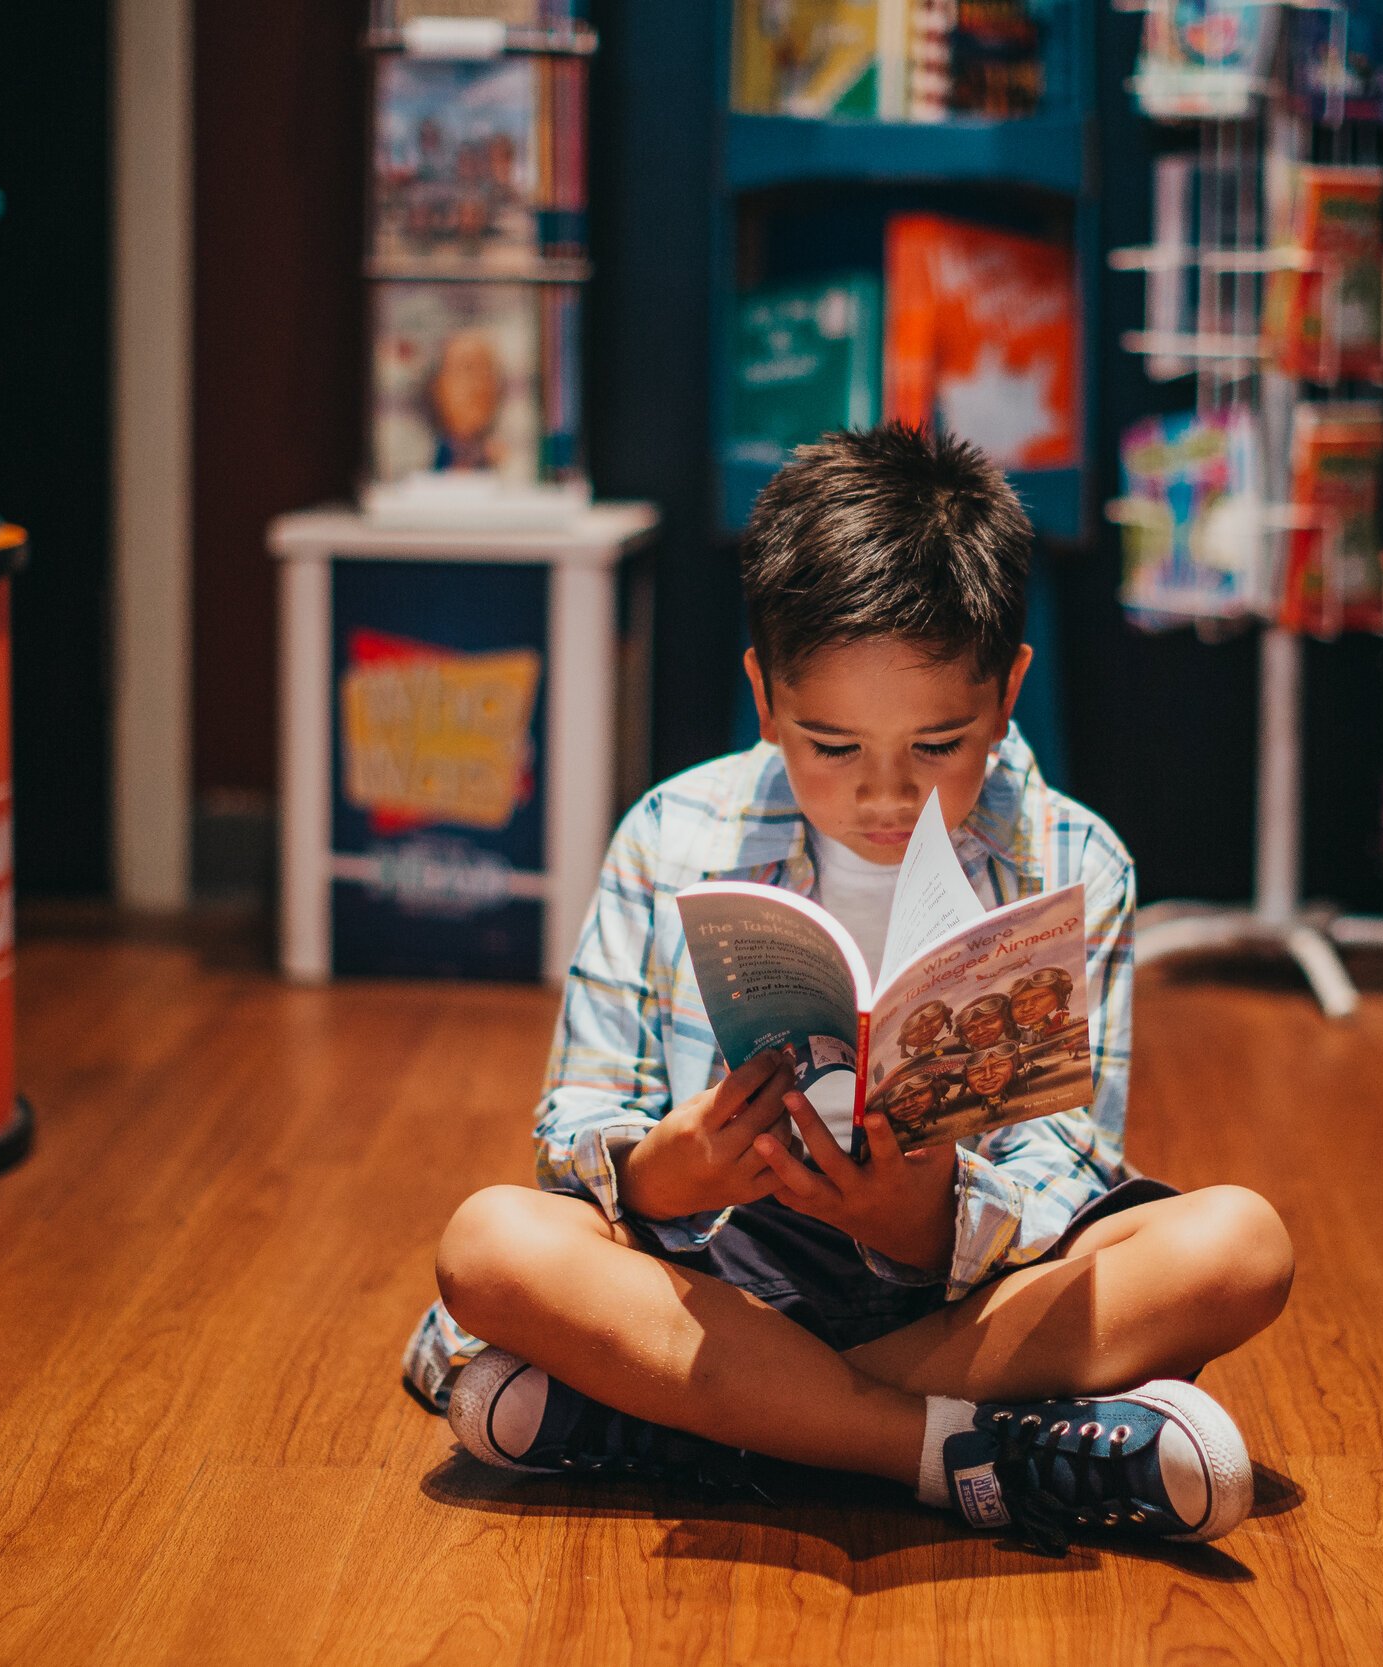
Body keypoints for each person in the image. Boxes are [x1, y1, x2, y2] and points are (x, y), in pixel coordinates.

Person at [410, 425, 1294, 1551]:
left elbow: (1071, 1163)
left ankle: (698, 1416)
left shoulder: (1073, 859)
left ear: (1009, 689)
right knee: (491, 1241)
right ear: (764, 696)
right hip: (709, 1273)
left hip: (957, 1301)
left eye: (938, 744)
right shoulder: (673, 831)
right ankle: (939, 1452)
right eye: (829, 744)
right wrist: (666, 1170)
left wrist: (926, 1222)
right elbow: (577, 1121)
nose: (885, 795)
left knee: (1238, 1244)